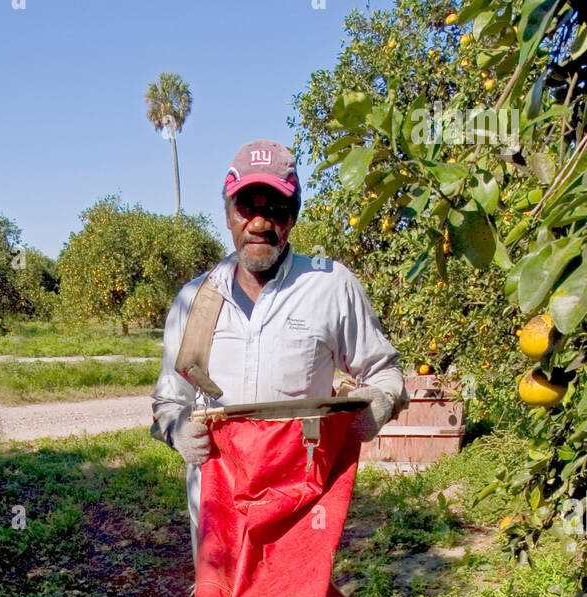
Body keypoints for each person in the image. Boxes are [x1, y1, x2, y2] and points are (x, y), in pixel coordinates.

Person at [152, 139, 406, 559]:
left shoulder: (329, 286)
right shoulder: (194, 301)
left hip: (301, 508)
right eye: (246, 207)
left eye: (275, 208)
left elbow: (383, 370)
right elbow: (167, 400)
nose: (259, 223)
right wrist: (176, 429)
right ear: (228, 215)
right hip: (219, 512)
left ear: (294, 216)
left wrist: (379, 402)